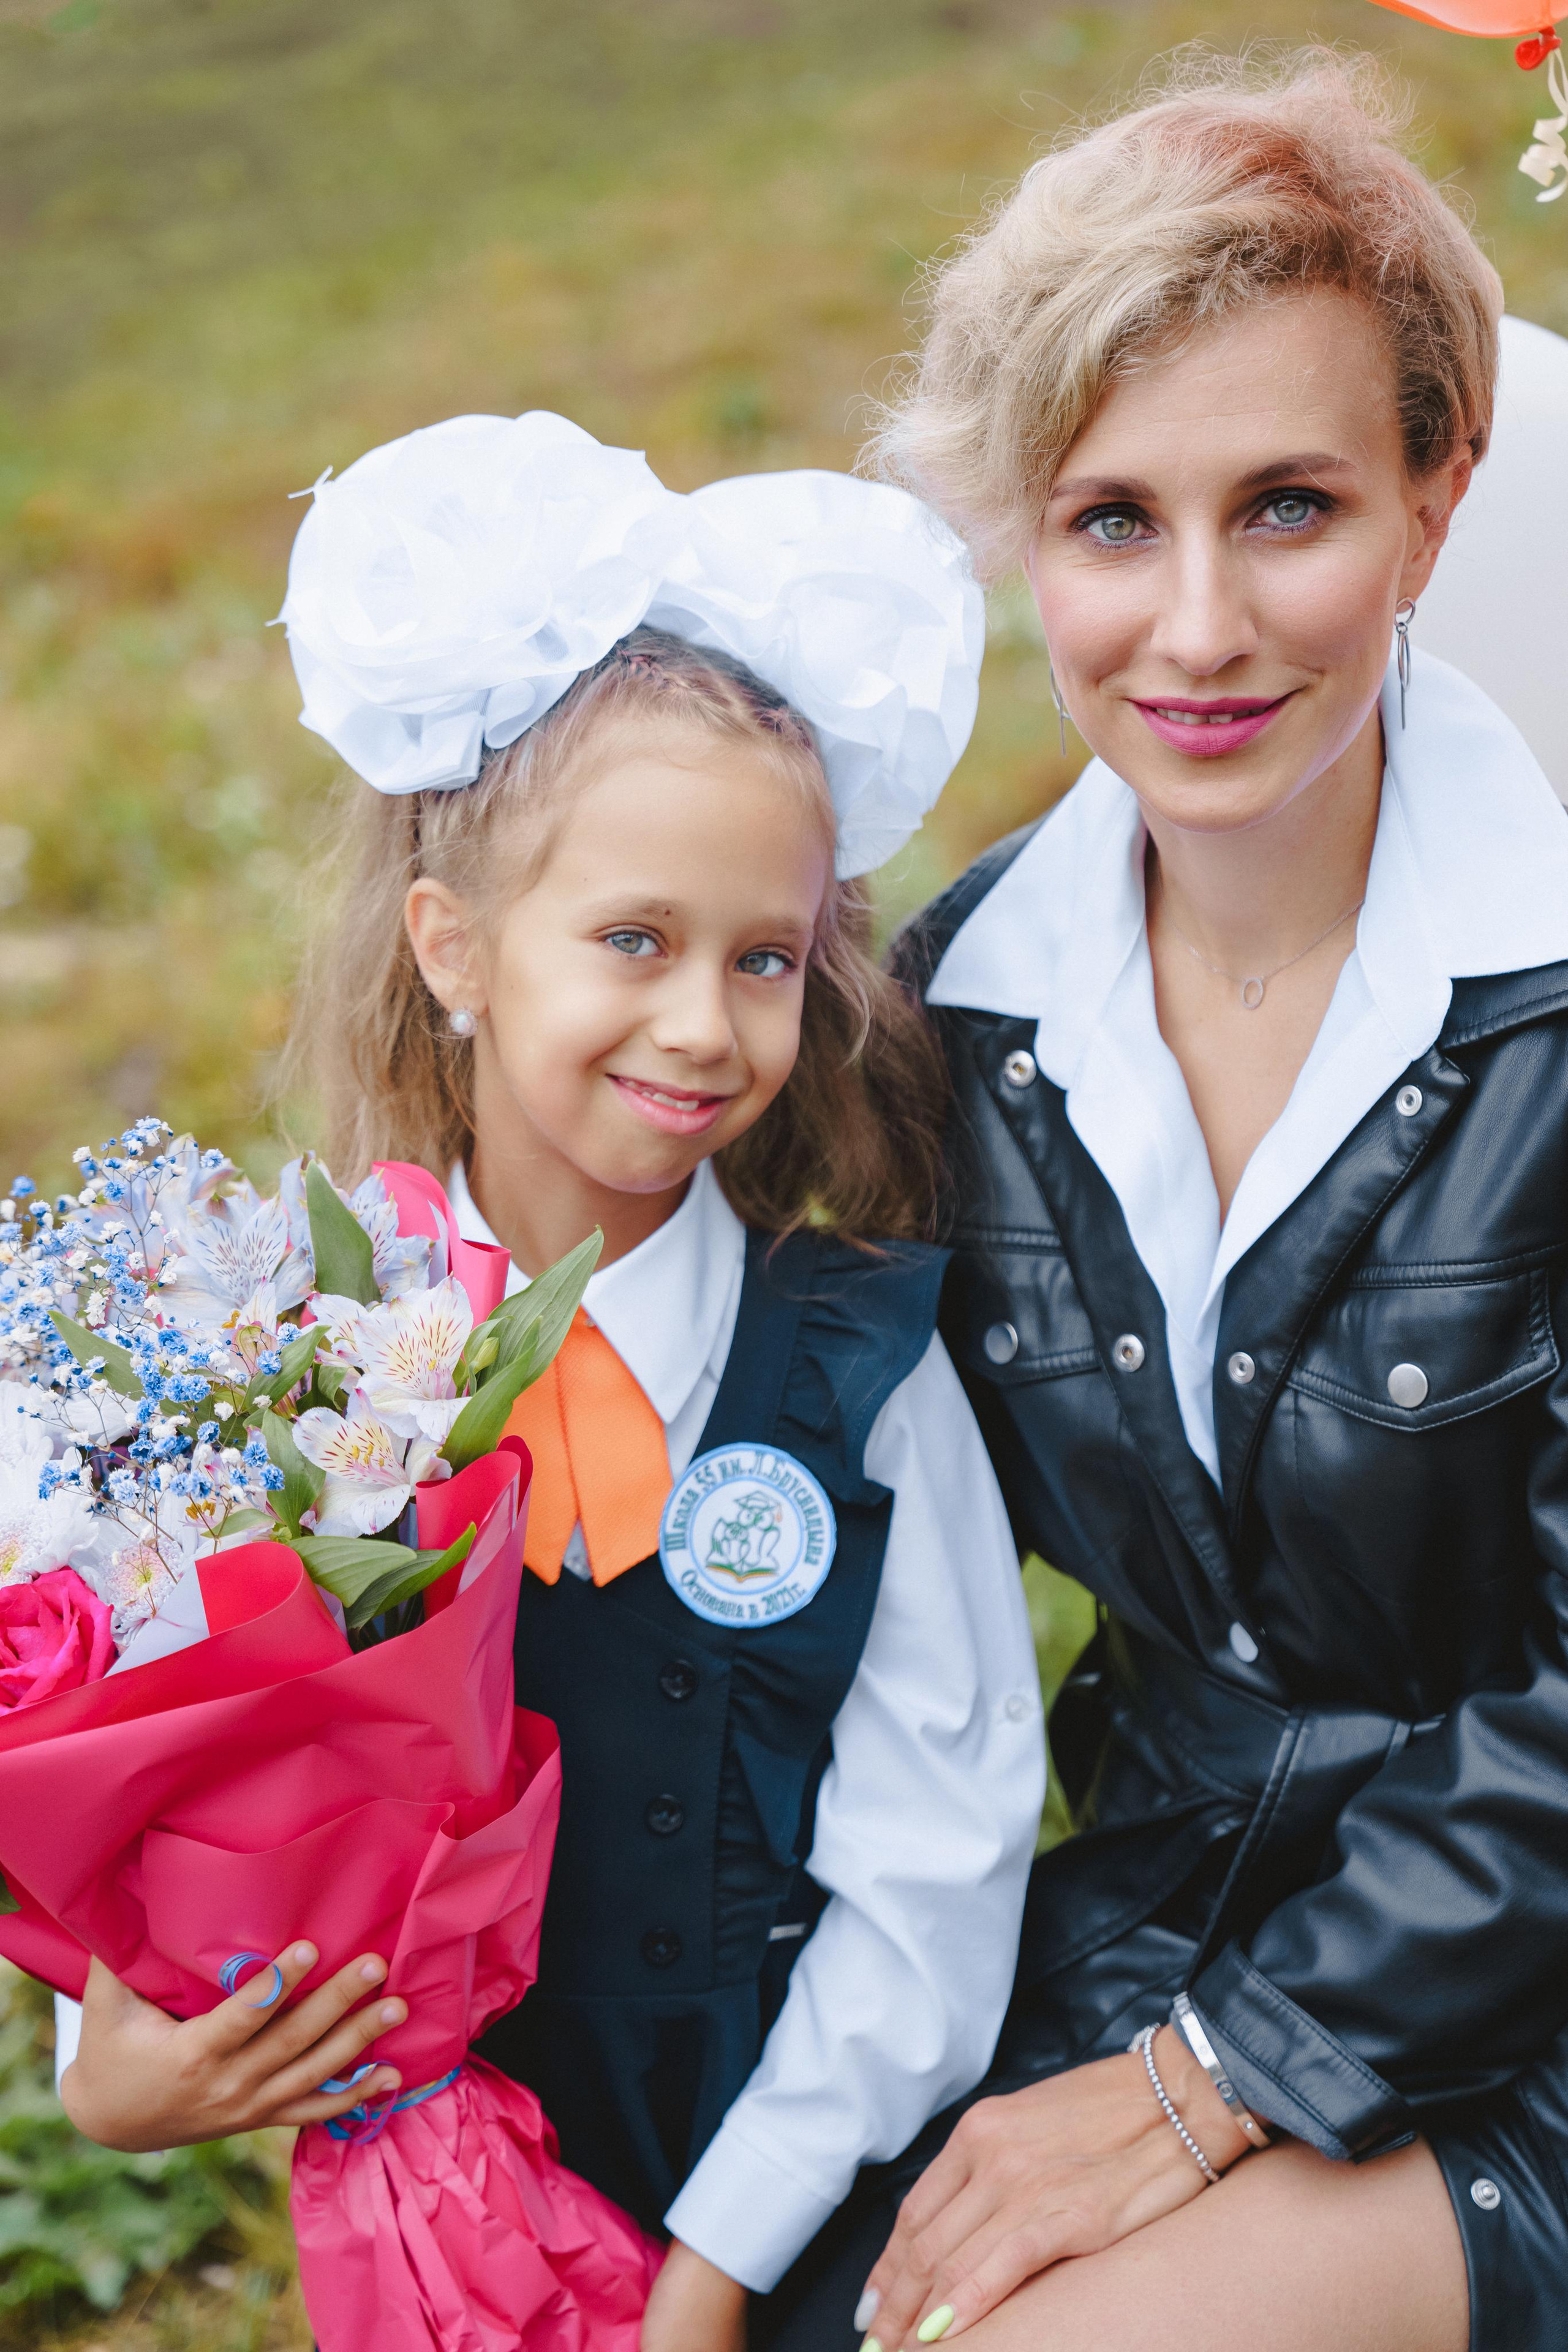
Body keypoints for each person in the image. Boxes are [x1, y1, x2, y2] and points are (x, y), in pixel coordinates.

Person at [58, 413, 1047, 2352]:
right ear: (455, 946)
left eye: (766, 958)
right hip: (433, 2208)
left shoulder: (853, 1374)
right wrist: (118, 2044)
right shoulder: (291, 1367)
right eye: (631, 940)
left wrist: (718, 2266)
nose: (702, 1022)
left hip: (809, 2194)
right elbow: (151, 1757)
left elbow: (944, 1859)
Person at [835, 49, 1568, 2352]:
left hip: (1521, 1977)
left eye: (1291, 506)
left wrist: (1214, 2081)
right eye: (1112, 521)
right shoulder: (950, 1016)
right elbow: (799, 1568)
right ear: (1017, 540)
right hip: (1163, 1899)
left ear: (1438, 500)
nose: (1199, 630)